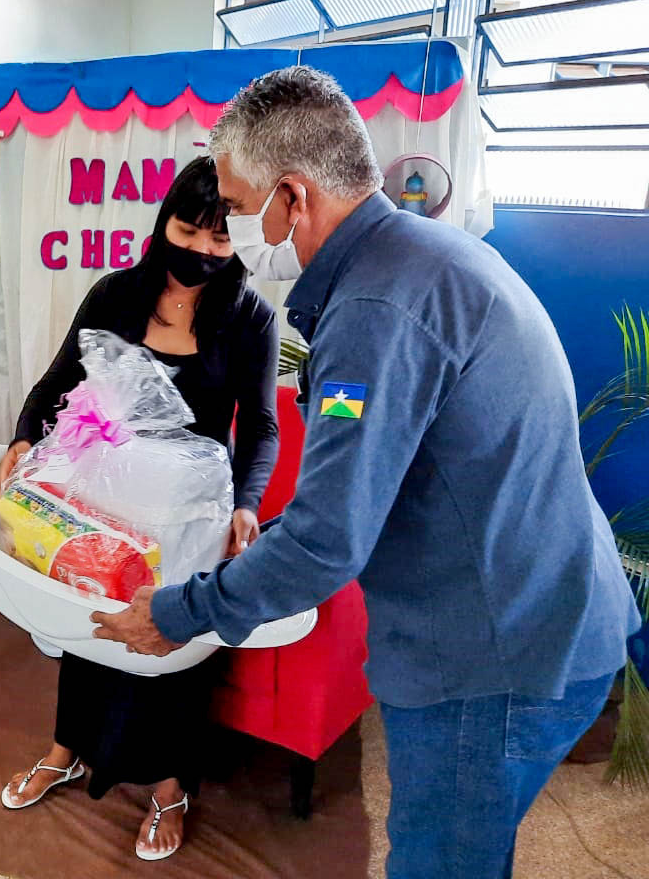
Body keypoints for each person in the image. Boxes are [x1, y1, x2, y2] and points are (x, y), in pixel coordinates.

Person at [91, 67, 641, 879]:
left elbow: (327, 545)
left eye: (239, 211)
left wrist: (180, 612)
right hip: (548, 614)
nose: (234, 233)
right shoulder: (425, 254)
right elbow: (375, 481)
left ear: (293, 198)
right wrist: (263, 540)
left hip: (492, 659)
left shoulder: (376, 312)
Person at [0, 156, 279, 862]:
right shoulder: (117, 294)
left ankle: (168, 788)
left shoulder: (250, 317)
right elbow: (57, 379)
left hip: (191, 516)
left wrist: (247, 505)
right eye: (189, 231)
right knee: (93, 625)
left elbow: (263, 427)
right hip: (104, 503)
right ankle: (66, 750)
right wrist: (24, 436)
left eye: (222, 240)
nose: (204, 252)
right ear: (163, 223)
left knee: (171, 648)